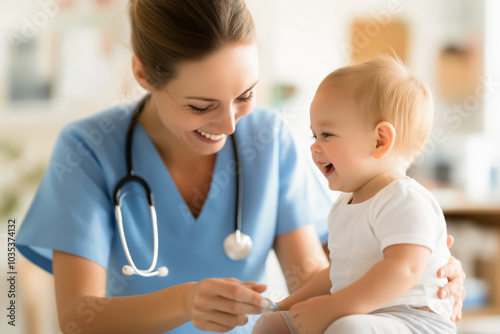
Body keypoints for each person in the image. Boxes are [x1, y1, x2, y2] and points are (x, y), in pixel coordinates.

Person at [16, 1, 464, 333]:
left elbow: (311, 276)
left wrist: (411, 277)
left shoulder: (267, 140)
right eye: (201, 105)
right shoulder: (89, 149)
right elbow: (79, 318)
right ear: (144, 75)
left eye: (245, 95)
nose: (229, 124)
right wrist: (186, 300)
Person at [253, 56, 463, 334]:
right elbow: (335, 275)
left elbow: (403, 270)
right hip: (360, 313)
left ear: (380, 141)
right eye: (314, 135)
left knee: (348, 328)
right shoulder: (344, 207)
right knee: (273, 325)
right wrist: (286, 304)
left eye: (327, 134)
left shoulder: (406, 200)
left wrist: (332, 307)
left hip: (414, 321)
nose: (315, 148)